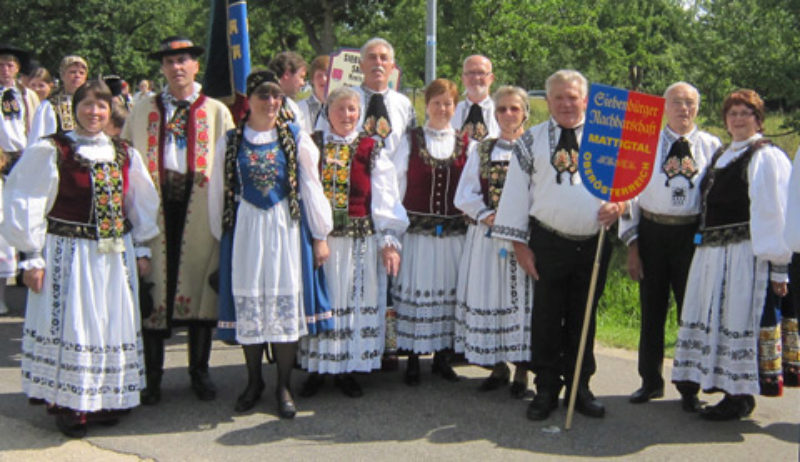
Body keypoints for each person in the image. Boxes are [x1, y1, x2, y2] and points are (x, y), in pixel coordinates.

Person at [2, 79, 159, 437]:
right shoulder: (52, 150)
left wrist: (142, 248)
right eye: (87, 105)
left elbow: (138, 204)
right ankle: (70, 403)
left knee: (108, 322)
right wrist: (32, 257)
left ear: (110, 110)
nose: (94, 112)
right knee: (74, 323)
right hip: (68, 254)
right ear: (74, 109)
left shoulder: (123, 153)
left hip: (113, 255)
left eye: (101, 106)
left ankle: (103, 398)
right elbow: (26, 201)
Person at [494, 69, 627, 421]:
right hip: (548, 242)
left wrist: (622, 205)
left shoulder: (608, 140)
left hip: (594, 245)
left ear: (585, 100)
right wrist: (520, 246)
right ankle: (547, 388)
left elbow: (631, 183)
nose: (567, 104)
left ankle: (580, 388)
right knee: (548, 319)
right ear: (547, 101)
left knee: (584, 319)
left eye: (573, 97)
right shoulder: (530, 141)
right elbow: (515, 195)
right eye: (559, 97)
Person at [209, 70, 332, 418]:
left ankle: (283, 386)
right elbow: (218, 191)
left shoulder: (295, 137)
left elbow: (311, 186)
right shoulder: (231, 141)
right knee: (252, 305)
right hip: (246, 228)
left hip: (285, 228)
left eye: (277, 96)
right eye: (264, 96)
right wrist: (224, 236)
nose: (272, 102)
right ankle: (253, 381)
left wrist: (320, 234)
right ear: (249, 100)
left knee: (283, 307)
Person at [121, 36, 235, 404]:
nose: (177, 68)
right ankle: (151, 378)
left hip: (200, 206)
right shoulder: (142, 109)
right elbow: (125, 157)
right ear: (163, 68)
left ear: (195, 66)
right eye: (170, 62)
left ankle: (199, 373)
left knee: (201, 289)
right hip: (154, 206)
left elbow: (230, 165)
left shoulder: (216, 111)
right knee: (154, 290)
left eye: (183, 60)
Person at [671, 89, 791, 420]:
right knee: (718, 321)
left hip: (744, 257)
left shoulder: (765, 156)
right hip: (713, 254)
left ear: (758, 119)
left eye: (745, 113)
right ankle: (723, 387)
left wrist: (780, 267)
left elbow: (774, 214)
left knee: (738, 320)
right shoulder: (724, 154)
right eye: (733, 113)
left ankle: (740, 395)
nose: (738, 119)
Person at [298, 85, 408, 397]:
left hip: (360, 241)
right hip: (323, 241)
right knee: (324, 302)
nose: (347, 115)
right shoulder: (313, 144)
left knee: (353, 301)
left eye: (352, 110)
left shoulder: (370, 147)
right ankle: (317, 368)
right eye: (340, 108)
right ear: (328, 112)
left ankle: (347, 369)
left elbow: (386, 195)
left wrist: (389, 238)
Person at [619, 82, 721, 408]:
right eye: (676, 102)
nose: (684, 108)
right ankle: (650, 381)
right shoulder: (643, 144)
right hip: (651, 233)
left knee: (690, 314)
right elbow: (627, 195)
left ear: (698, 108)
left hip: (691, 237)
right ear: (664, 107)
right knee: (652, 311)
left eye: (690, 102)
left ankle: (689, 387)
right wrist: (633, 245)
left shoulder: (710, 145)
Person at [454, 85, 533, 397]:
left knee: (520, 301)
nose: (508, 115)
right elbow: (465, 194)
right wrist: (486, 214)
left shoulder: (534, 146)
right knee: (492, 296)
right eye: (501, 109)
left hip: (524, 238)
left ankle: (523, 370)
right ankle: (498, 366)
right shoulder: (483, 149)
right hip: (488, 237)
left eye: (514, 108)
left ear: (525, 111)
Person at [392, 78, 468, 385]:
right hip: (418, 234)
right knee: (417, 290)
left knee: (447, 294)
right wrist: (393, 227)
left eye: (448, 103)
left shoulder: (466, 143)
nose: (442, 109)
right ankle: (412, 357)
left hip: (452, 236)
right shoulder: (411, 140)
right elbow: (396, 183)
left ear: (455, 106)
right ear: (427, 105)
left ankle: (442, 358)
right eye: (436, 103)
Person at [0, 43, 39, 314]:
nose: (5, 70)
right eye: (1, 65)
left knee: (23, 214)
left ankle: (26, 273)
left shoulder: (25, 95)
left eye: (10, 65)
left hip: (21, 156)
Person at [28, 55, 88, 143]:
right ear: (63, 75)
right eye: (72, 72)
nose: (77, 76)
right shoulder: (50, 105)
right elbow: (39, 136)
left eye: (81, 73)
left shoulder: (90, 102)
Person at [451, 55, 500, 141]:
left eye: (481, 73)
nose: (476, 78)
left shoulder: (503, 112)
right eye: (471, 73)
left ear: (491, 78)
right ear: (463, 78)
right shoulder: (451, 112)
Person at [268, 51, 308, 130]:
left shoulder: (293, 107)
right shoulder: (265, 104)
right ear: (287, 74)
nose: (303, 83)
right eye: (301, 77)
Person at [298, 55, 329, 133]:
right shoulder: (299, 108)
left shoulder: (340, 108)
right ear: (312, 79)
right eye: (319, 75)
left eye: (327, 75)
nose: (324, 79)